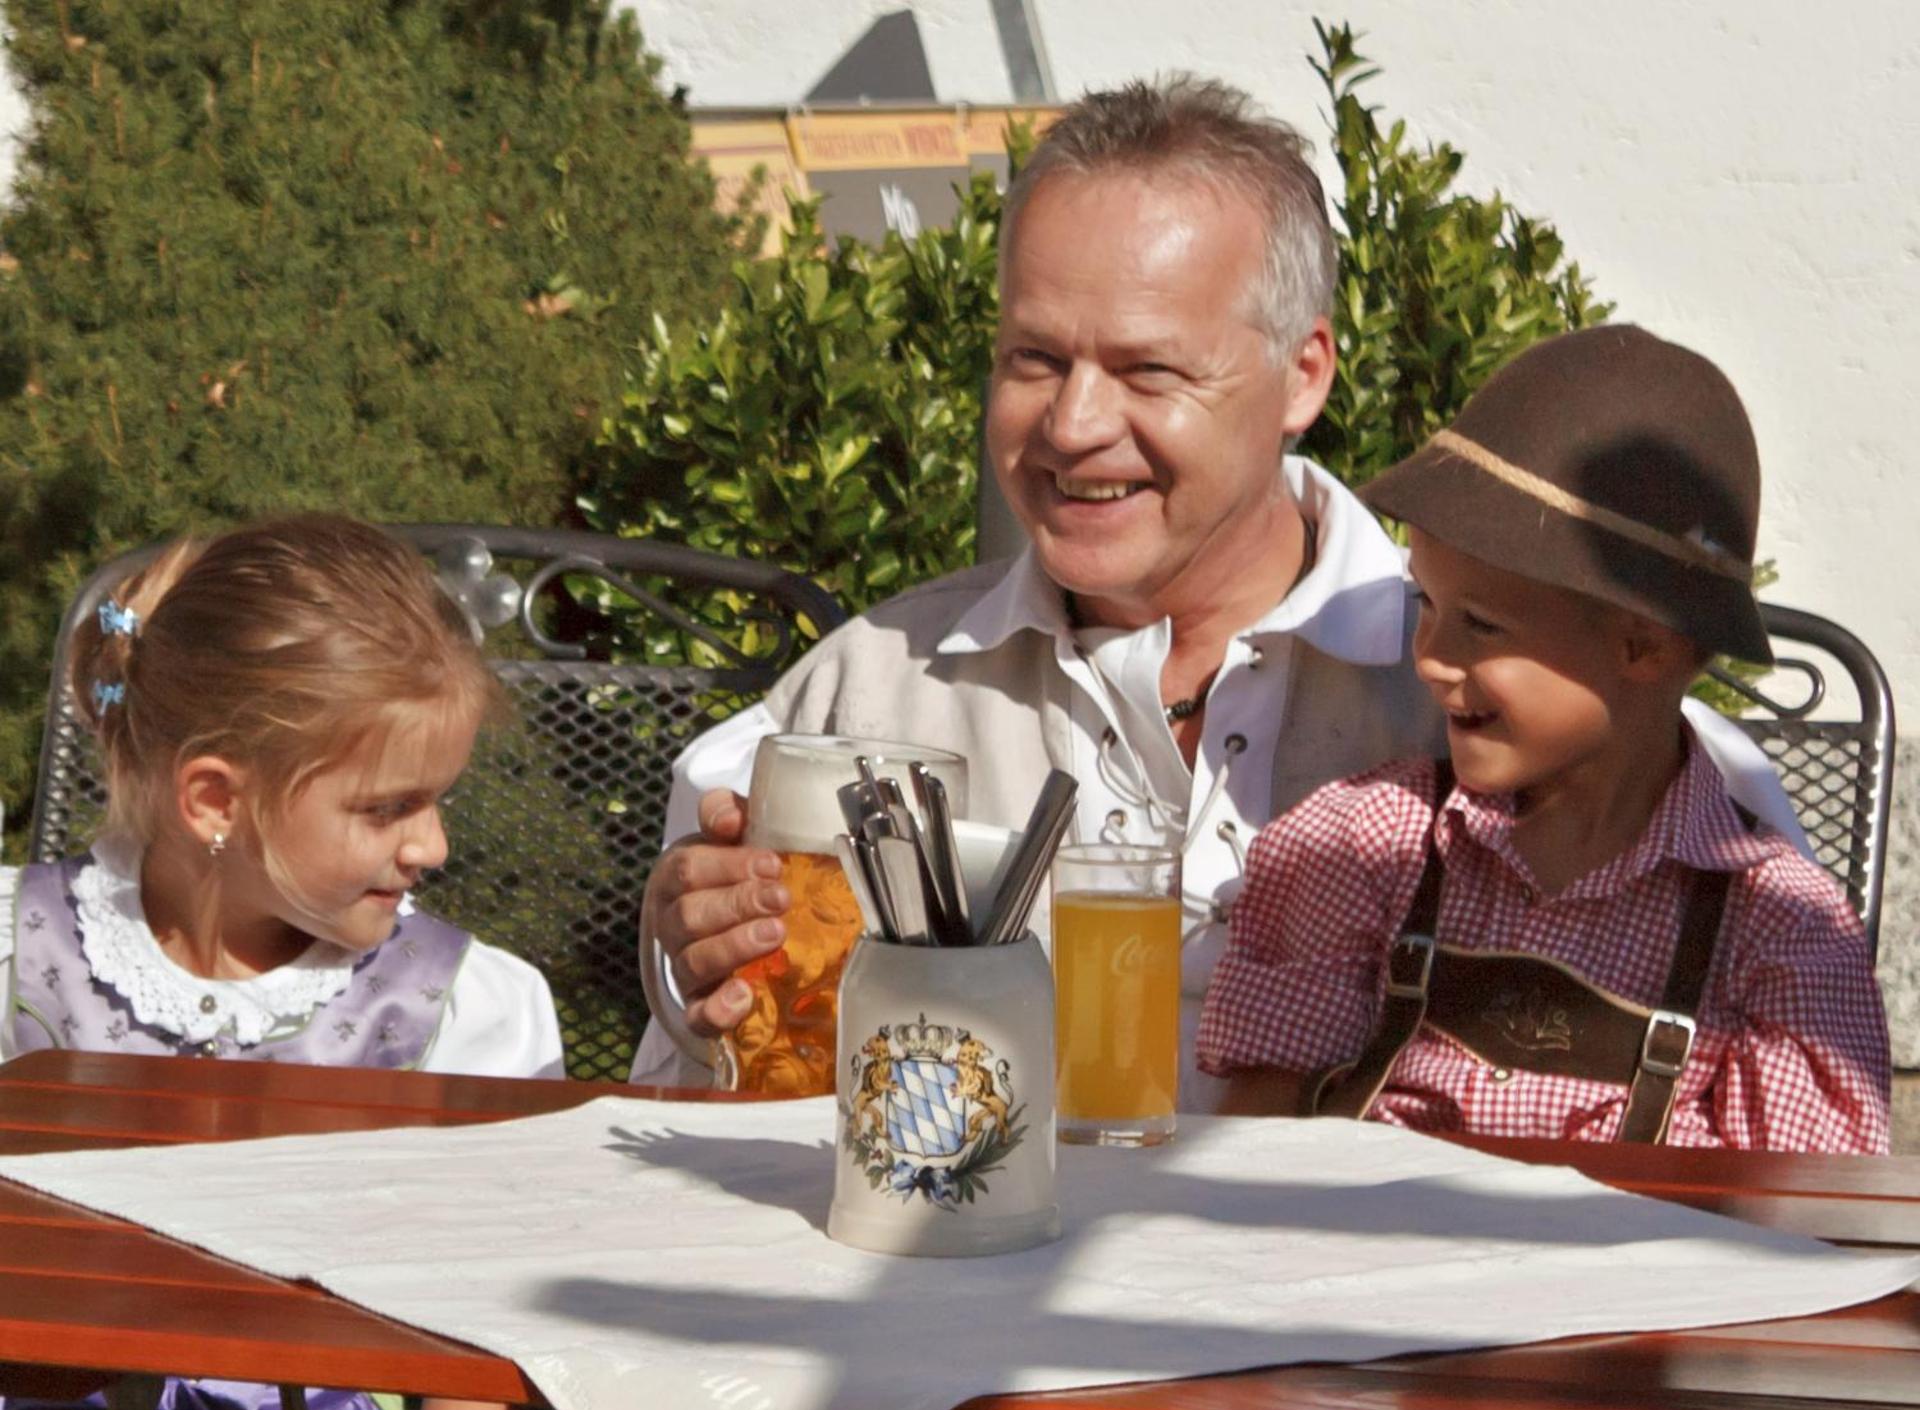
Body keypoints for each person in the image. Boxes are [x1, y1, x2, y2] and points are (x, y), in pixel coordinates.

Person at [631, 76, 1804, 1111]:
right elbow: (697, 1099)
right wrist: (696, 971)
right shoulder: (853, 698)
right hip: (952, 1342)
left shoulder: (1537, 712)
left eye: (1147, 369)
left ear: (1303, 374)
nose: (1075, 425)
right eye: (1034, 358)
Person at [1197, 326, 1890, 1152]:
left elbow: (1799, 1234)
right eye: (1428, 605)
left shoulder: (1777, 932)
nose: (1431, 659)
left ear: (1645, 647)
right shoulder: (1367, 847)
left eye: (1481, 626)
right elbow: (1251, 1154)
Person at [0, 515, 564, 1410]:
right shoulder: (25, 955)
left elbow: (486, 1325)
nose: (433, 846)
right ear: (217, 800)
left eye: (437, 801)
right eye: (389, 809)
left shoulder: (455, 1010)